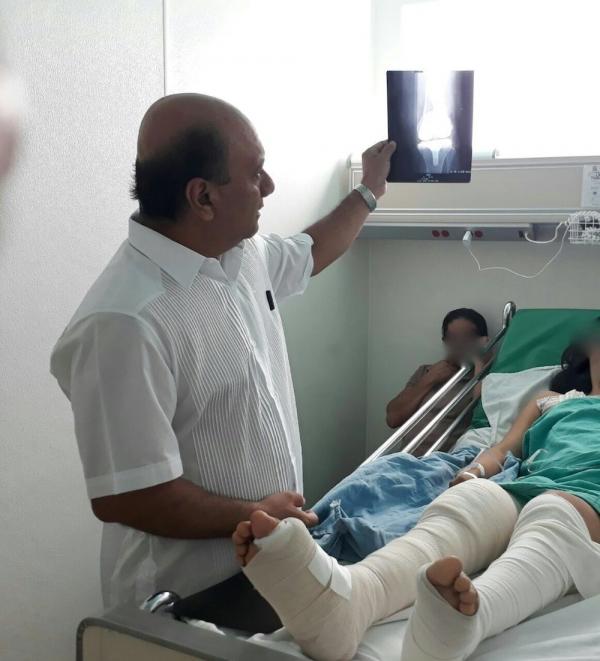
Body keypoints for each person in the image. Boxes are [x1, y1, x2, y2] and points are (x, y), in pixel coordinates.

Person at [49, 92, 396, 607]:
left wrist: (369, 189)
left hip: (265, 566)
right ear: (203, 197)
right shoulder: (123, 323)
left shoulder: (239, 255)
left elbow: (313, 250)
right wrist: (253, 513)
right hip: (183, 598)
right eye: (256, 173)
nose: (269, 186)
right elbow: (128, 494)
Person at [234, 329, 600, 661]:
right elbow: (503, 450)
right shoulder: (551, 401)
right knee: (474, 499)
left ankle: (473, 617)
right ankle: (352, 599)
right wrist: (473, 473)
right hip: (527, 484)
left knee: (552, 511)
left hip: (586, 494)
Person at [386, 308, 489, 455]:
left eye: (467, 337)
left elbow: (483, 421)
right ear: (445, 342)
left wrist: (480, 363)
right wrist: (429, 380)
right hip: (404, 457)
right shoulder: (426, 371)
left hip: (442, 461)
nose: (459, 344)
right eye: (453, 338)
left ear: (481, 341)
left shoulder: (486, 379)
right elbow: (393, 418)